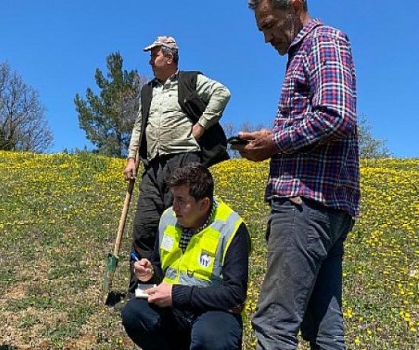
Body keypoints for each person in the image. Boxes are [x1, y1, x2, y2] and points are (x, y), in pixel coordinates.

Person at [233, 1, 360, 349]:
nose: (267, 37)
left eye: (269, 25)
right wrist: (269, 137)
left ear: (294, 5)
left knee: (275, 325)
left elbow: (336, 114)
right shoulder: (306, 50)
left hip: (305, 204)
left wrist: (274, 142)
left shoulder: (321, 41)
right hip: (327, 207)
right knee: (325, 331)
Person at [123, 35, 232, 295]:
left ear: (169, 57)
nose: (150, 60)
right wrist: (131, 157)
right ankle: (141, 286)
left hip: (184, 161)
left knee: (182, 222)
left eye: (154, 55)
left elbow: (222, 93)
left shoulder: (190, 80)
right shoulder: (148, 90)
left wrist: (200, 127)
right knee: (145, 224)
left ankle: (179, 287)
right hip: (154, 165)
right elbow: (140, 124)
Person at [121, 163, 250, 350]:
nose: (174, 207)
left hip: (213, 311)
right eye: (173, 198)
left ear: (203, 204)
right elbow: (159, 266)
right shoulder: (168, 218)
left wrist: (177, 295)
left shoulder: (231, 227)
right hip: (174, 310)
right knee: (134, 312)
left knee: (211, 338)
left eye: (181, 200)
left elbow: (235, 294)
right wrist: (149, 273)